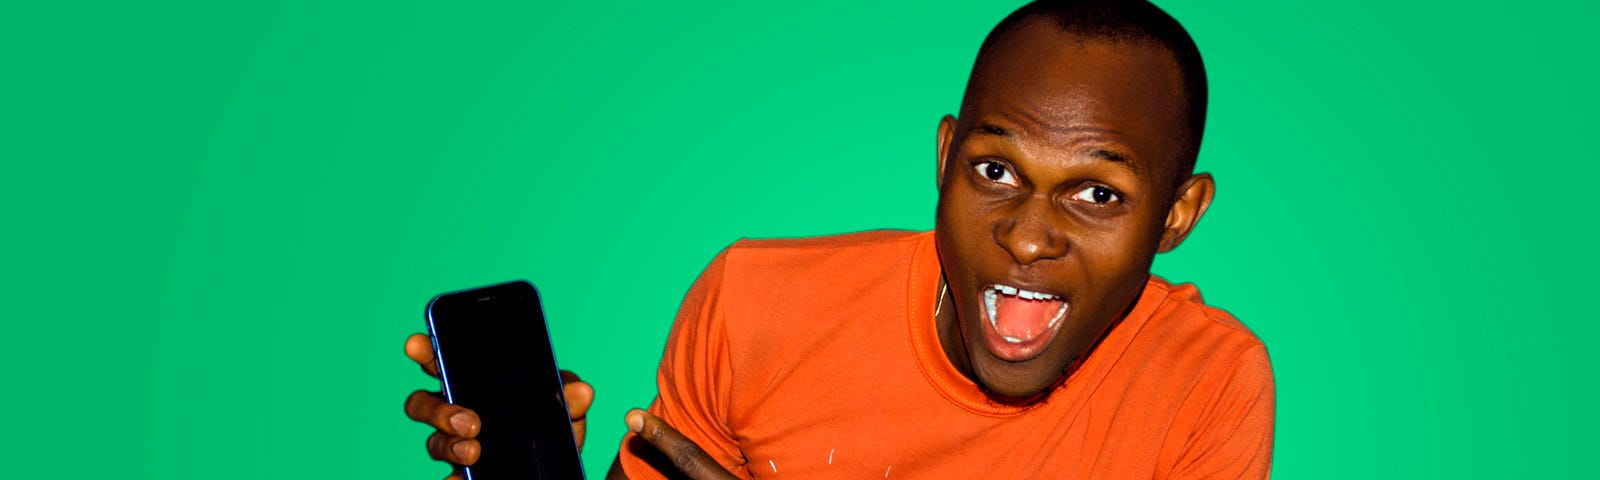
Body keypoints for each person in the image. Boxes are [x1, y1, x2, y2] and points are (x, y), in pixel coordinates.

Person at [403, 0, 1274, 478]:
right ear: (944, 158)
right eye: (995, 172)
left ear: (1176, 216)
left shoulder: (1205, 385)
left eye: (1096, 192)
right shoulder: (755, 308)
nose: (1027, 235)